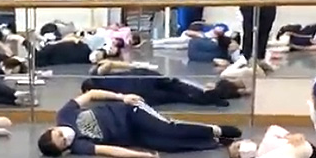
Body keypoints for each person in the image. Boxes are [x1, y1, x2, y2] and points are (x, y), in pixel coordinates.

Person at [37, 90, 241, 158]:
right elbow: (111, 151)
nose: (66, 137)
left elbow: (90, 94)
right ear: (65, 150)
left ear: (53, 128)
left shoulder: (65, 114)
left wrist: (122, 97)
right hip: (133, 135)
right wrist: (140, 156)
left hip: (130, 112)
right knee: (169, 145)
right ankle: (215, 141)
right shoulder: (79, 146)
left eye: (59, 134)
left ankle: (215, 129)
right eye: (63, 142)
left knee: (166, 129)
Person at [84, 60, 240, 108]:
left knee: (178, 96)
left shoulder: (103, 94)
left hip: (142, 93)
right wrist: (129, 65)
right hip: (144, 77)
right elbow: (108, 64)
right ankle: (210, 94)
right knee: (177, 85)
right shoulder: (96, 77)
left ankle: (213, 98)